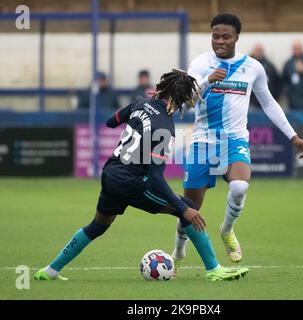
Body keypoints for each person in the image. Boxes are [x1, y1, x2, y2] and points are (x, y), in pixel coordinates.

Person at [34, 69, 249, 282]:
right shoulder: (164, 128)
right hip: (131, 182)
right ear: (178, 99)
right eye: (183, 102)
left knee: (98, 225)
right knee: (187, 209)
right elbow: (155, 177)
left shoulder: (139, 102)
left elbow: (111, 121)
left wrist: (136, 116)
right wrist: (183, 208)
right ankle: (213, 269)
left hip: (110, 173)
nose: (183, 107)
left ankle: (50, 270)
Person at [171, 13, 303, 274]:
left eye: (225, 36)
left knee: (238, 187)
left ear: (236, 37)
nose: (219, 41)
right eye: (215, 36)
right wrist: (207, 81)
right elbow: (183, 99)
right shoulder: (201, 63)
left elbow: (269, 103)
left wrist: (293, 136)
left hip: (235, 140)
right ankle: (178, 249)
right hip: (203, 141)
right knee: (190, 209)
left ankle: (227, 229)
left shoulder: (253, 67)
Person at [249, 43, 281, 110]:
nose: (258, 52)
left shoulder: (270, 66)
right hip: (251, 103)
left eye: (260, 50)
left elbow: (277, 83)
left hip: (267, 103)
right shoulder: (248, 66)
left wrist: (273, 98)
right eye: (257, 50)